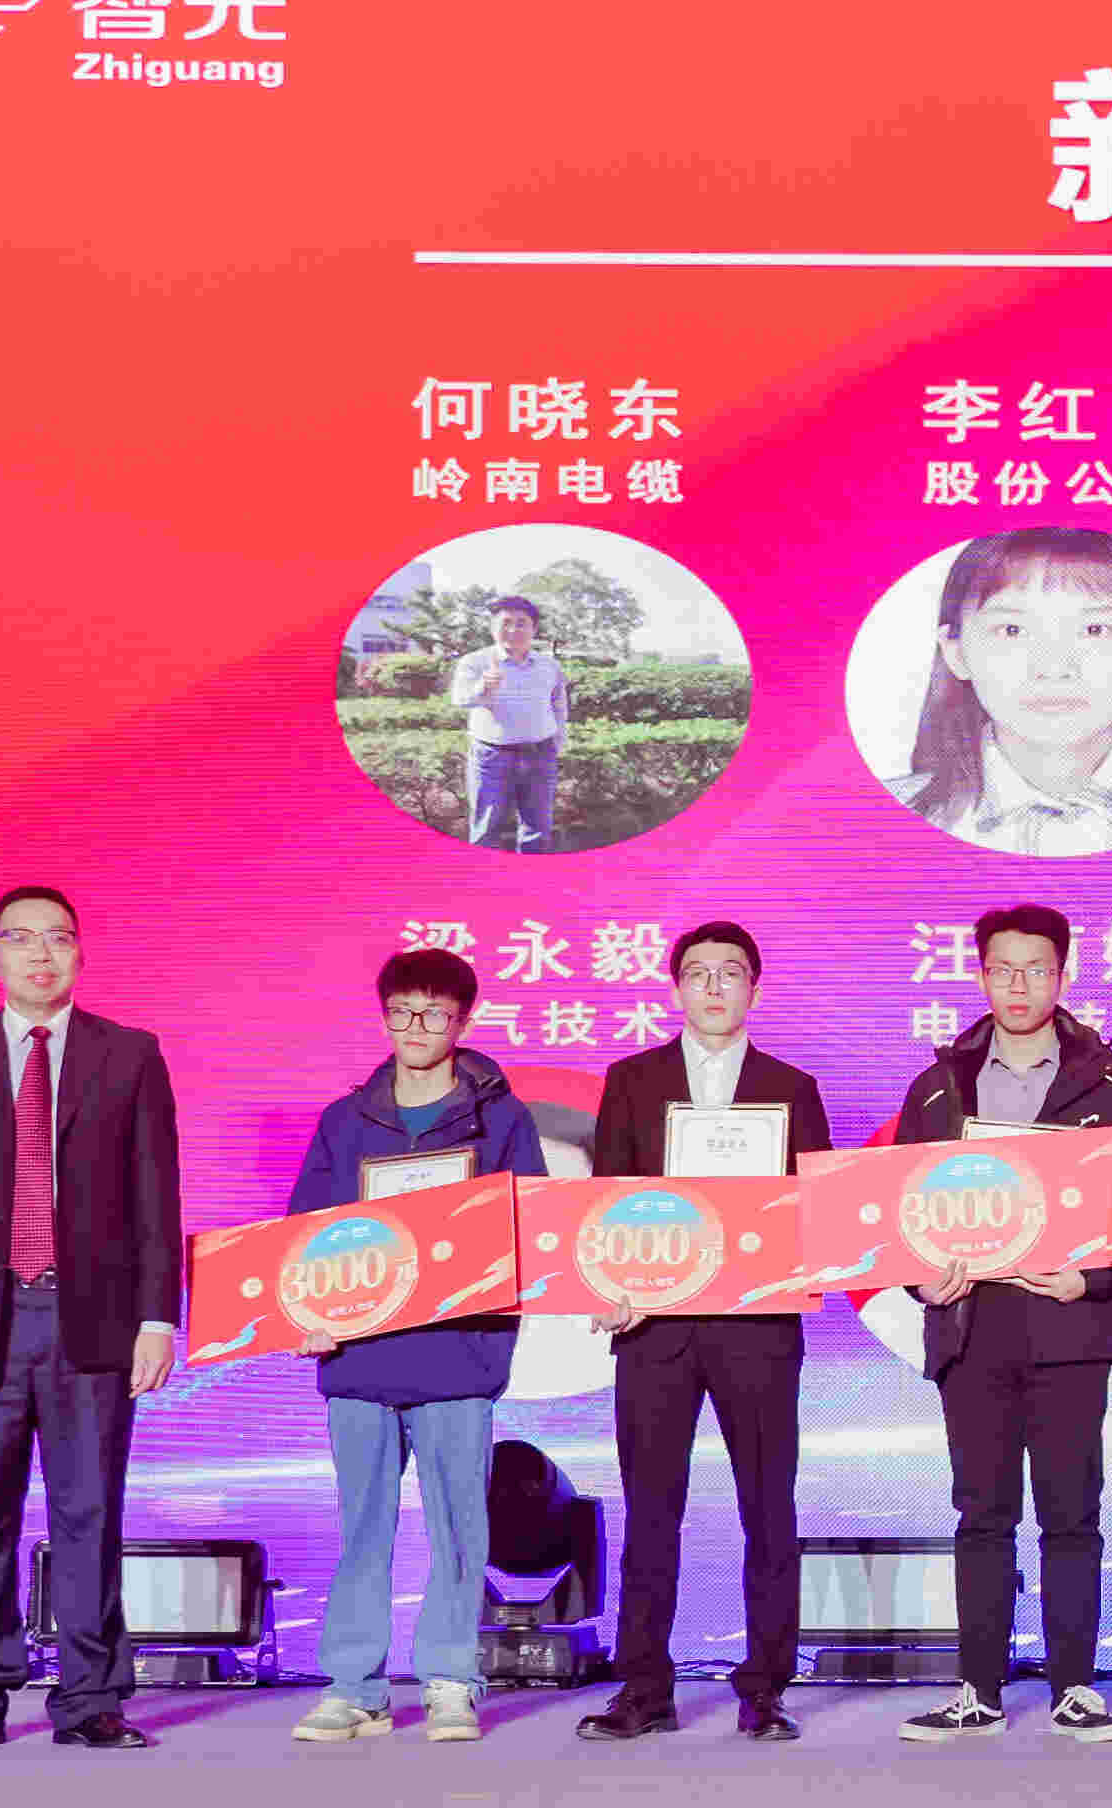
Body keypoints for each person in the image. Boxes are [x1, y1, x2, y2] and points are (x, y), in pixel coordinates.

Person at [0, 885, 181, 1753]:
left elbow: (157, 1198)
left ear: (80, 953)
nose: (40, 954)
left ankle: (91, 1699)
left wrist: (158, 1318)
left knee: (90, 1513)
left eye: (58, 938)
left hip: (92, 1319)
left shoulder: (129, 1054)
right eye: (21, 939)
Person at [895, 905, 1112, 1745]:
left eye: (1036, 969)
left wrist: (1093, 1278)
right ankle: (977, 1690)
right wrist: (922, 1281)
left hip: (1069, 1326)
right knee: (982, 1515)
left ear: (1063, 976)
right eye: (1003, 969)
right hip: (972, 1327)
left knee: (1071, 1514)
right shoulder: (938, 1087)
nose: (1019, 985)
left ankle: (1074, 1687)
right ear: (980, 975)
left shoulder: (1111, 1083)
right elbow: (899, 1210)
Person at [279, 948, 549, 1749]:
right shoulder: (344, 1120)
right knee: (361, 1528)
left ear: (463, 1021)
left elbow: (532, 1226)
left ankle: (450, 1680)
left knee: (459, 1530)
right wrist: (307, 1314)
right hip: (360, 1354)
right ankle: (355, 1688)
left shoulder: (502, 1118)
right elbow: (304, 1234)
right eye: (402, 1011)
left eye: (434, 1012)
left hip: (459, 1355)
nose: (416, 1027)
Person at [577, 920, 834, 1744]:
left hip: (758, 1327)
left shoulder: (791, 1087)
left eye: (731, 973)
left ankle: (767, 1687)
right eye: (698, 973)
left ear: (756, 987)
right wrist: (611, 1286)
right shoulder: (632, 1080)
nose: (714, 987)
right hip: (654, 1327)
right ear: (676, 987)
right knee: (652, 1510)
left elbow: (817, 1208)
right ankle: (644, 1688)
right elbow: (606, 1202)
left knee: (769, 1508)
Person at [883, 529, 1112, 856]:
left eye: (1094, 630)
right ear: (955, 651)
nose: (1053, 668)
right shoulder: (882, 822)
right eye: (1012, 630)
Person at [449, 593, 569, 854]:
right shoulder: (475, 662)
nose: (513, 629)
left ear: (534, 629)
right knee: (486, 828)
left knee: (537, 829)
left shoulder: (549, 665)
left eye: (521, 623)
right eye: (505, 623)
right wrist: (484, 686)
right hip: (492, 756)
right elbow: (459, 700)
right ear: (493, 628)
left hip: (540, 754)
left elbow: (559, 705)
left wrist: (558, 742)